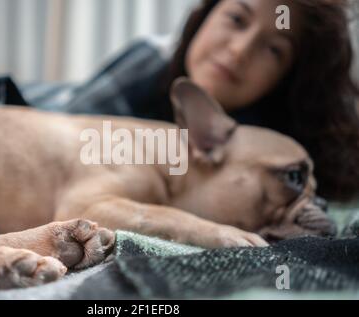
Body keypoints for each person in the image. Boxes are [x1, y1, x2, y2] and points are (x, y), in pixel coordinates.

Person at [25, 0, 359, 201]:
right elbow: (47, 148)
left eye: (274, 50)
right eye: (237, 19)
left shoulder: (273, 142)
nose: (239, 51)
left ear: (286, 79)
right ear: (205, 14)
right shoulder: (150, 61)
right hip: (31, 106)